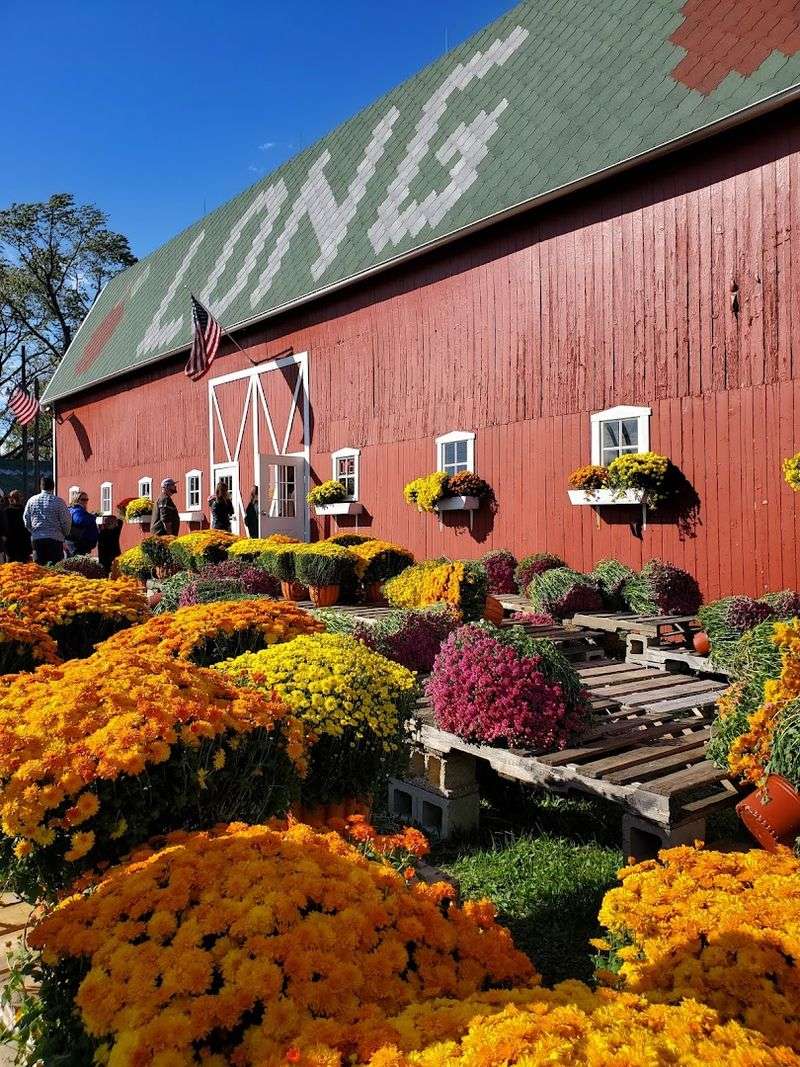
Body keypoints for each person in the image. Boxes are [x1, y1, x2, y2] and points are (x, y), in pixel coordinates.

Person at [23, 475, 71, 565]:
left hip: (38, 538)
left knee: (39, 567)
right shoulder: (59, 502)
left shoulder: (31, 500)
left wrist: (33, 531)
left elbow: (26, 519)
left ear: (41, 486)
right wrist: (65, 533)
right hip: (55, 539)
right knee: (55, 567)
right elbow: (66, 521)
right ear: (53, 487)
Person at [66, 489, 99, 557]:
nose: (85, 501)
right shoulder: (77, 510)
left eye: (87, 499)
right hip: (80, 543)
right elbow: (79, 520)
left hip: (77, 542)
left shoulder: (73, 509)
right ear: (77, 500)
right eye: (83, 499)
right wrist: (93, 517)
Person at [5, 490, 31, 562]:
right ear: (21, 499)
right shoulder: (25, 511)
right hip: (24, 544)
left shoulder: (6, 511)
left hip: (10, 544)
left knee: (10, 568)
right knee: (25, 569)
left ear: (10, 499)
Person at [97, 508, 123, 576]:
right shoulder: (114, 532)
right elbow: (120, 522)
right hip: (108, 559)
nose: (105, 524)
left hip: (107, 559)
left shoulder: (102, 533)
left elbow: (120, 522)